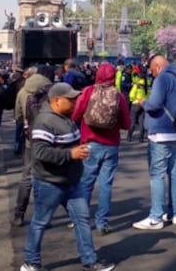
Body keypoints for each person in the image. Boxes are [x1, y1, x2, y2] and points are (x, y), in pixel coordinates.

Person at [20, 83, 115, 271]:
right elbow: (40, 153)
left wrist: (78, 154)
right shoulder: (44, 121)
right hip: (50, 182)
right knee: (40, 222)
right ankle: (31, 262)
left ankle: (89, 260)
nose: (75, 102)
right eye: (70, 99)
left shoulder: (67, 118)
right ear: (56, 101)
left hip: (72, 181)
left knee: (81, 219)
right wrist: (70, 155)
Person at [72, 63, 131, 236]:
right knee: (106, 185)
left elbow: (75, 114)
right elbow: (127, 124)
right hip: (111, 145)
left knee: (85, 183)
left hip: (89, 143)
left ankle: (81, 221)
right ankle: (102, 223)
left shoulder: (88, 92)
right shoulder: (118, 96)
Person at [133, 55, 176, 230]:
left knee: (157, 174)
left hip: (161, 132)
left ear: (157, 66)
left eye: (152, 69)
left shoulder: (163, 78)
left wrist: (143, 102)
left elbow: (154, 105)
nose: (152, 73)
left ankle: (156, 216)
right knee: (174, 172)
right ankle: (174, 212)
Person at [12, 66, 54, 227]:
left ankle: (19, 214)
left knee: (27, 177)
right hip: (49, 138)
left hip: (31, 139)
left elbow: (18, 116)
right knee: (47, 178)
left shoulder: (23, 91)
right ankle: (42, 216)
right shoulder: (53, 90)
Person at [127, 66, 150, 142]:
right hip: (144, 103)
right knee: (142, 122)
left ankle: (129, 136)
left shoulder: (137, 85)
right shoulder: (147, 85)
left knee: (132, 121)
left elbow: (131, 95)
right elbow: (149, 95)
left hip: (136, 103)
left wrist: (132, 100)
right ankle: (141, 138)